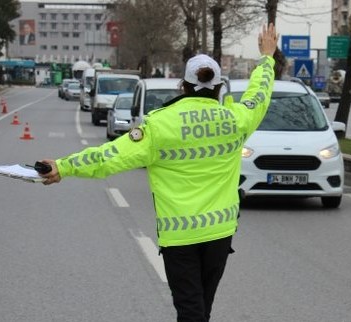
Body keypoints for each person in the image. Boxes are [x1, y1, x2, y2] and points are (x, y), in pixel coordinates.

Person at [40, 23, 279, 322]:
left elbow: (109, 157)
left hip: (180, 237)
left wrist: (64, 166)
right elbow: (260, 95)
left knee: (191, 310)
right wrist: (266, 58)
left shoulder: (158, 125)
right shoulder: (236, 120)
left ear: (183, 85)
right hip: (220, 232)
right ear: (220, 86)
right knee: (201, 308)